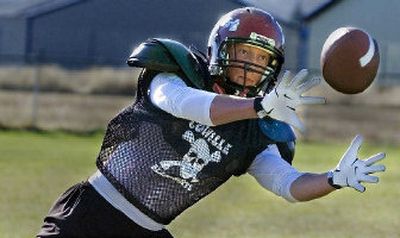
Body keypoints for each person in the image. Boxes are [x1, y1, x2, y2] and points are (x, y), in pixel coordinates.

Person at [37, 7, 386, 238]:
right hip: (89, 216)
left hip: (149, 230)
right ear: (220, 49)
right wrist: (258, 105)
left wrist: (332, 179)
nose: (252, 64)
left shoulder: (257, 130)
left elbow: (287, 184)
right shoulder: (179, 73)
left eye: (262, 57)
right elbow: (183, 104)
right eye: (244, 52)